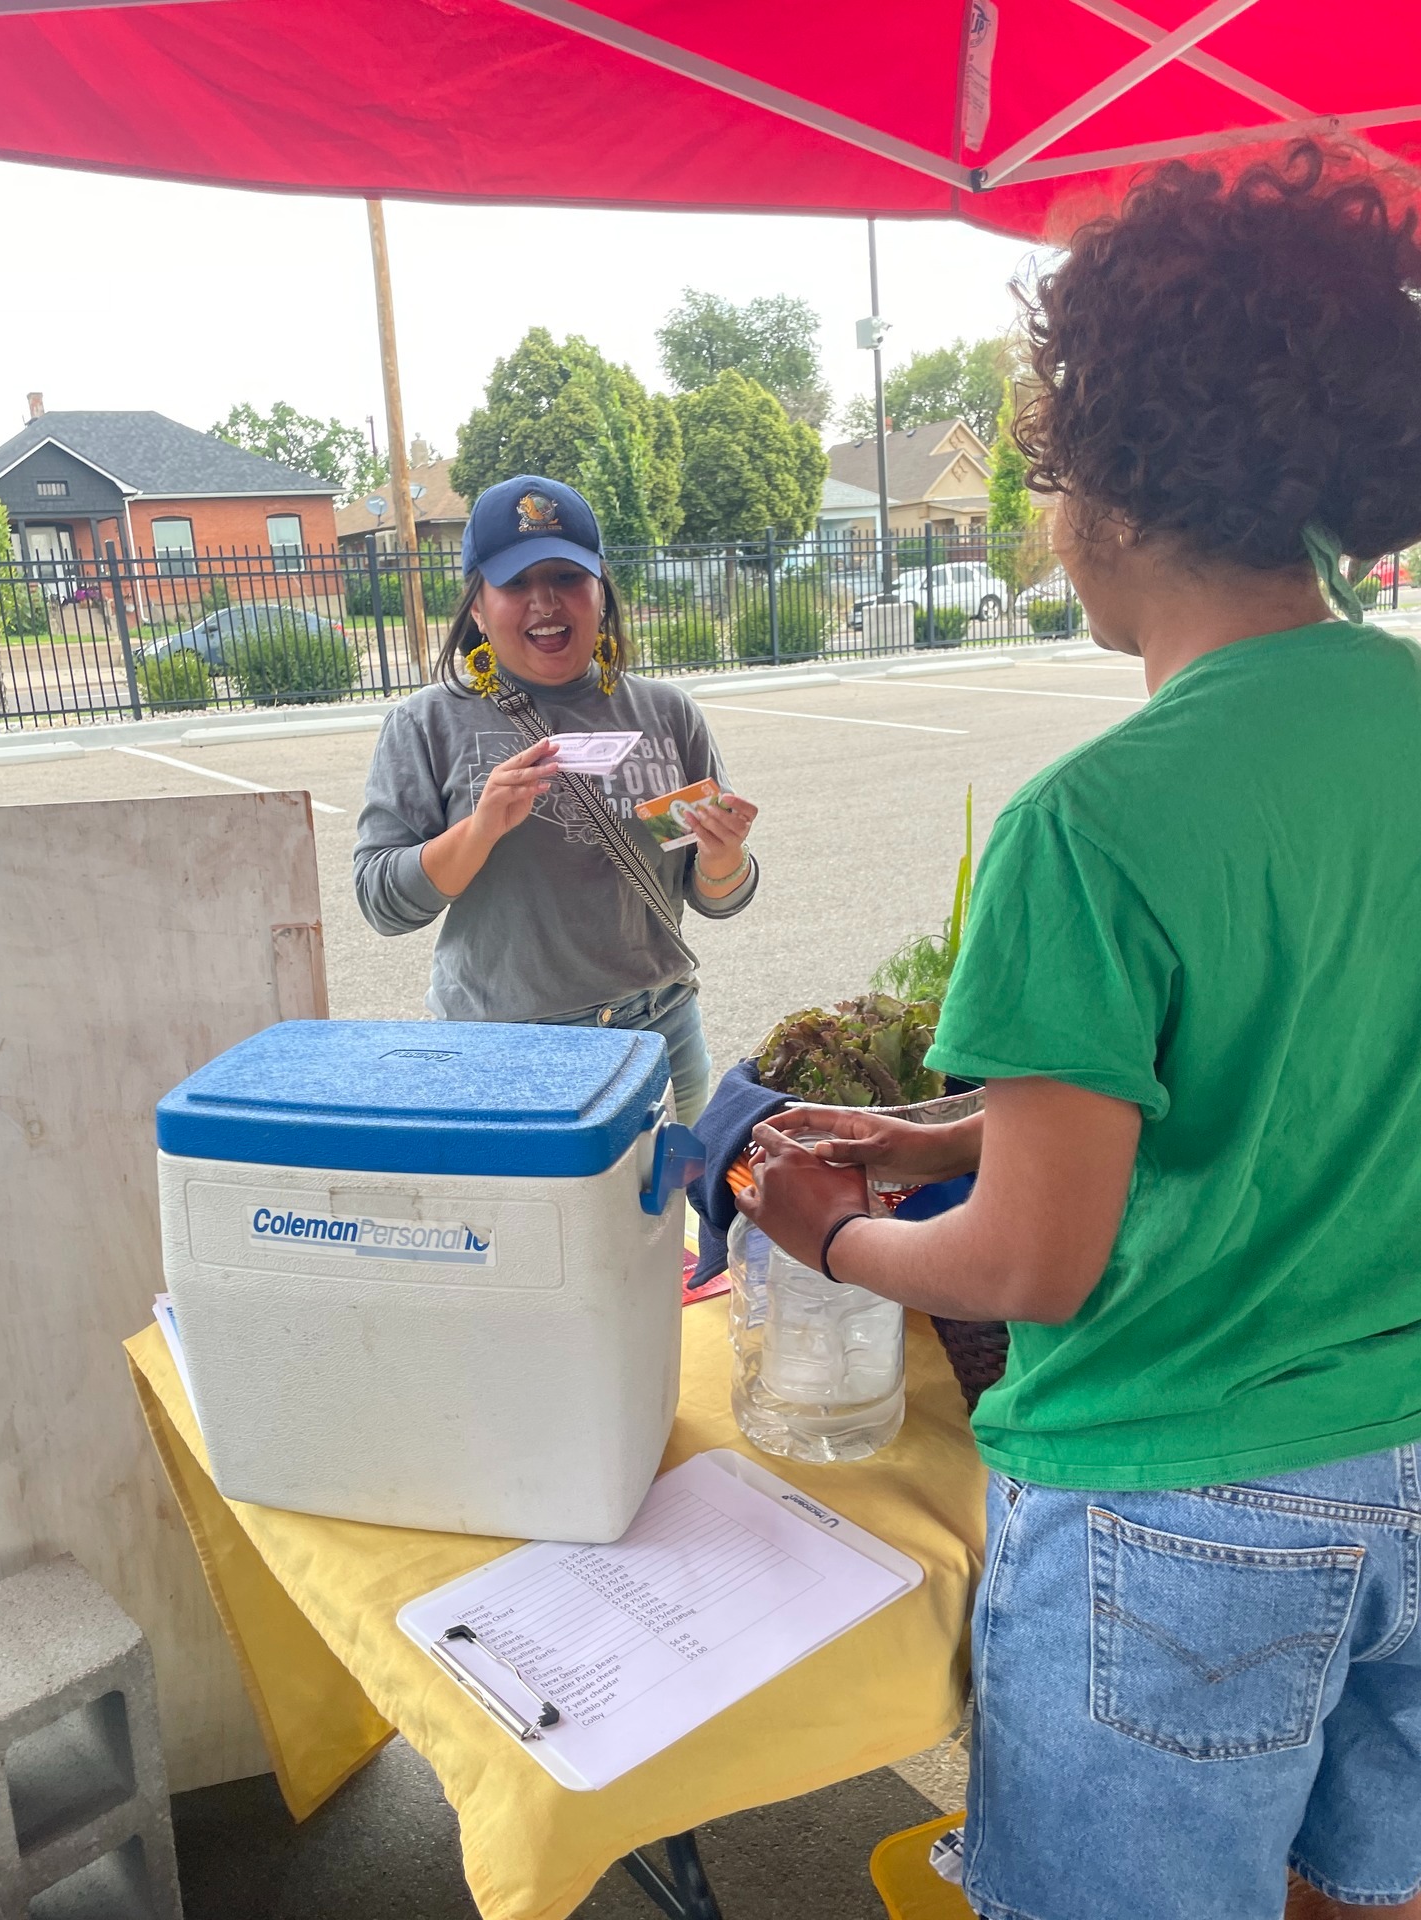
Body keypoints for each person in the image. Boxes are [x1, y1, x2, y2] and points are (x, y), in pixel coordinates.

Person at [737, 143, 1421, 1920]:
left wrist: (833, 1226)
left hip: (1182, 1518)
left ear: (1096, 487)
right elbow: (1312, 1059)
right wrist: (945, 1137)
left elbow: (1034, 1267)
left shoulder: (1093, 823)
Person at [353, 475, 758, 1122]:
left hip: (660, 1034)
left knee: (656, 1220)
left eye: (566, 578)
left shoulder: (666, 714)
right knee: (526, 1226)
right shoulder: (427, 724)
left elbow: (718, 893)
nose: (544, 602)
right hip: (502, 1052)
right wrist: (479, 830)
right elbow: (381, 902)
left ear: (601, 590)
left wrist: (721, 859)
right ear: (478, 608)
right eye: (515, 584)